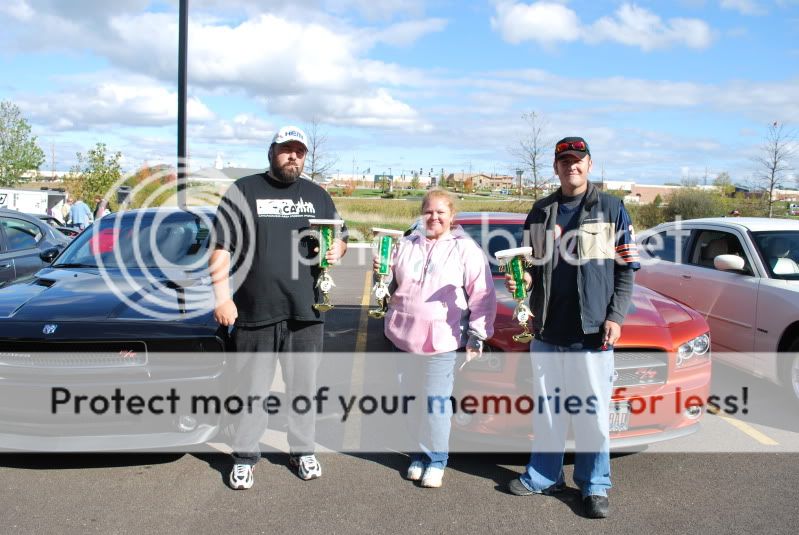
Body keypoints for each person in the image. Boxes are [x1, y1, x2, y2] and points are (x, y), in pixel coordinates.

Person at [504, 136, 639, 519]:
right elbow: (529, 266)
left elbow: (627, 270)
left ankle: (594, 485)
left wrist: (616, 316)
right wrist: (522, 282)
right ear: (556, 167)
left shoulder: (612, 209)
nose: (571, 166)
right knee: (548, 412)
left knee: (592, 415)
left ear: (589, 164)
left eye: (577, 160)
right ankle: (544, 475)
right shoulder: (541, 210)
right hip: (547, 332)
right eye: (564, 161)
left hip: (592, 334)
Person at [210, 125, 348, 490]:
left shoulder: (318, 196)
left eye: (299, 151)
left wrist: (338, 250)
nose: (293, 156)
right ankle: (244, 456)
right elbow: (220, 247)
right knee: (251, 388)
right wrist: (222, 297)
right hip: (254, 310)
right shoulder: (243, 191)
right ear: (271, 151)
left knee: (303, 387)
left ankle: (302, 450)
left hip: (307, 311)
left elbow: (341, 238)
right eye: (286, 149)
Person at [376, 189, 496, 488]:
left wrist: (477, 334)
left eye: (441, 212)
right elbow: (388, 283)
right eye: (429, 211)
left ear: (451, 216)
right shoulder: (406, 244)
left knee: (435, 404)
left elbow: (483, 295)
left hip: (441, 341)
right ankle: (418, 454)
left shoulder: (465, 249)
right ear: (422, 213)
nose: (434, 217)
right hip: (403, 337)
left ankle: (437, 460)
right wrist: (380, 272)